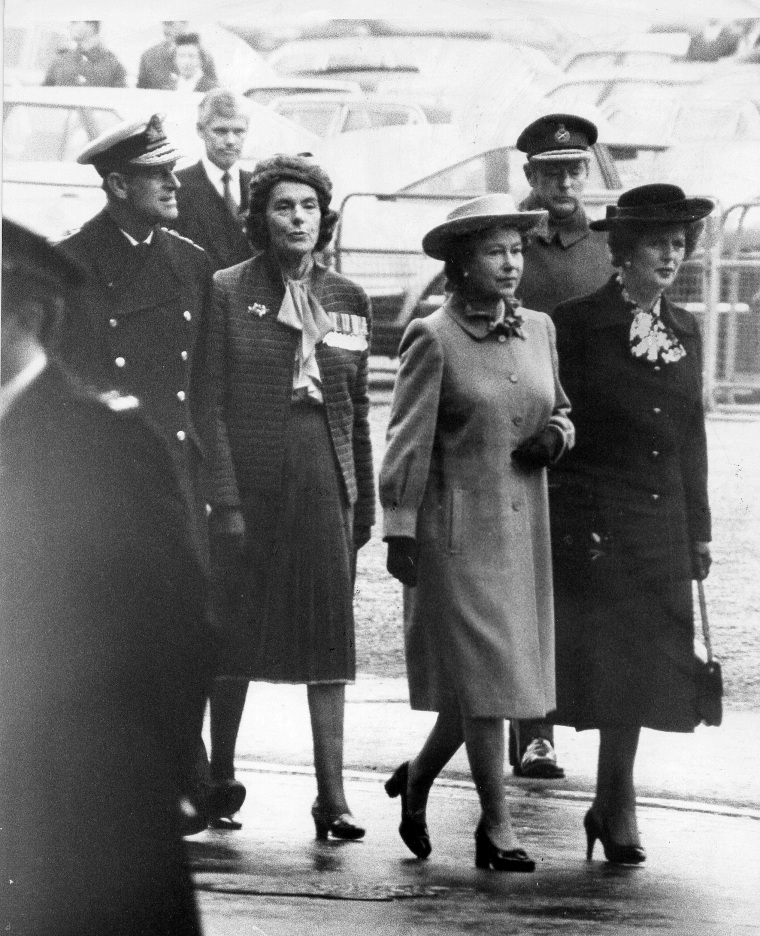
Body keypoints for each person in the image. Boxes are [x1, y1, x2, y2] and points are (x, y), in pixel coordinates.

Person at [1, 218, 210, 935]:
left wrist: (157, 774)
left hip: (84, 790)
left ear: (24, 316)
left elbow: (177, 622)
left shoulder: (104, 444)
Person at [379, 194, 574, 871]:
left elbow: (563, 408)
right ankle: (497, 825)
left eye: (517, 250)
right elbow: (406, 442)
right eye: (496, 251)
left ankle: (418, 777)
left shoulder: (541, 329)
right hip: (457, 535)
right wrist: (399, 530)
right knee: (490, 685)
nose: (512, 263)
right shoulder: (434, 337)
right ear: (463, 264)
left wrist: (555, 435)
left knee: (487, 687)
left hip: (526, 535)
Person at [203, 154, 375, 837]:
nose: (298, 218)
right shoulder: (226, 290)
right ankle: (220, 776)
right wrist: (225, 497)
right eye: (283, 207)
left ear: (323, 217)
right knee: (234, 629)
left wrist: (357, 498)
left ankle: (331, 796)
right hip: (252, 479)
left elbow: (356, 404)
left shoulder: (348, 298)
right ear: (261, 218)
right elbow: (210, 404)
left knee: (328, 637)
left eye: (308, 207)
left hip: (324, 475)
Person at [55, 114, 216, 830]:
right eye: (157, 175)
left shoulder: (191, 262)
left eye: (171, 170)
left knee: (181, 625)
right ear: (117, 184)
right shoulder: (71, 265)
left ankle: (187, 771)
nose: (173, 183)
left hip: (176, 473)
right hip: (105, 478)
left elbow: (206, 382)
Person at [549, 184, 714, 864]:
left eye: (679, 244)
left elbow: (691, 433)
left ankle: (615, 800)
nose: (671, 256)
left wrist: (699, 529)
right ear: (622, 250)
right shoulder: (578, 324)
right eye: (657, 244)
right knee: (610, 666)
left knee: (648, 667)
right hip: (603, 519)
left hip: (663, 522)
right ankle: (614, 803)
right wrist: (576, 514)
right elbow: (561, 424)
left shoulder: (685, 329)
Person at [509, 113, 612, 779]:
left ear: (590, 174)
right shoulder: (513, 241)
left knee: (584, 583)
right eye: (549, 172)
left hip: (597, 438)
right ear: (530, 178)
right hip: (531, 434)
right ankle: (534, 727)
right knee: (528, 585)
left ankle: (575, 714)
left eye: (573, 170)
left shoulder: (608, 247)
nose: (563, 182)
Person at [173, 89, 253, 271]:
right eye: (221, 131)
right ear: (200, 130)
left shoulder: (260, 186)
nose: (231, 141)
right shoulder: (176, 187)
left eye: (239, 131)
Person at [43, 20, 127, 88]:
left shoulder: (114, 66)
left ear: (90, 25)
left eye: (74, 22)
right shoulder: (60, 61)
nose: (69, 27)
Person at [137, 21, 218, 90]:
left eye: (171, 23)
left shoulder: (204, 56)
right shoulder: (148, 56)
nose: (167, 29)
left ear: (185, 24)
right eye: (166, 23)